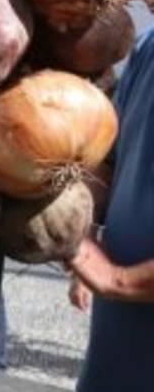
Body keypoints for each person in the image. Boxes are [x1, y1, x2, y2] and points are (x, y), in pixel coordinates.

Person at [66, 19, 154, 390]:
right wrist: (77, 225)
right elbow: (107, 159)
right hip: (117, 347)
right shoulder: (148, 46)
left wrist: (118, 280)